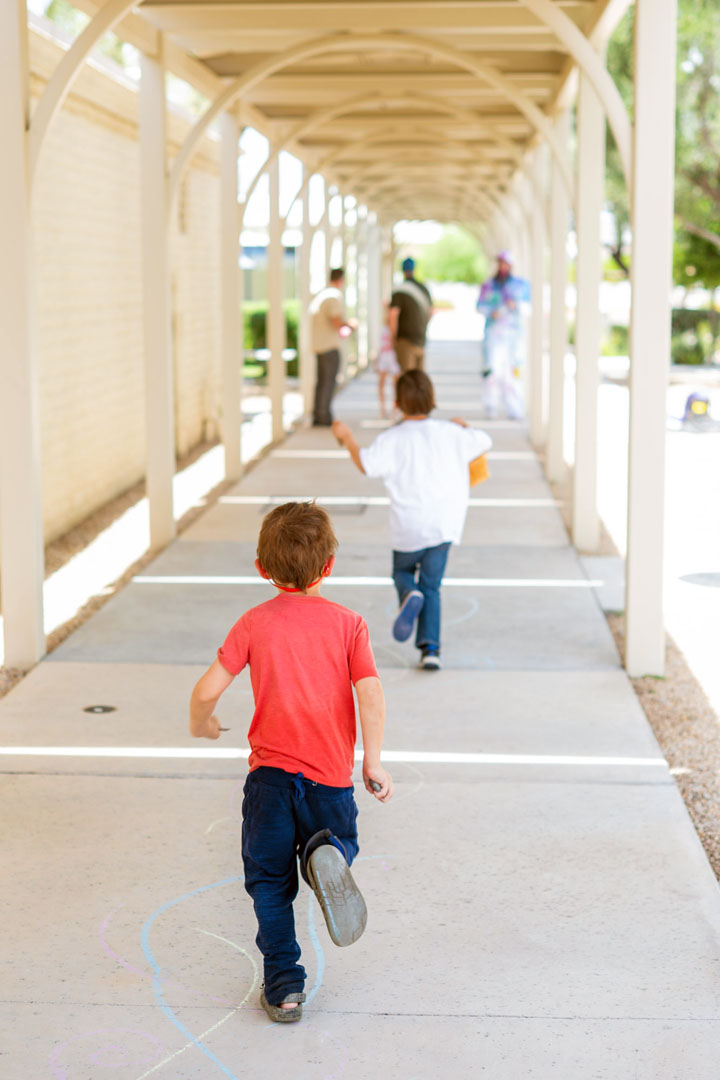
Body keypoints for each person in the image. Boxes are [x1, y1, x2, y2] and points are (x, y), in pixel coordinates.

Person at [189, 501, 393, 1023]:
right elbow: (370, 692)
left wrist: (203, 724)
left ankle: (284, 986)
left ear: (262, 568)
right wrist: (372, 761)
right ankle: (330, 853)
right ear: (329, 565)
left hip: (271, 784)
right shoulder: (349, 625)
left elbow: (207, 689)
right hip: (329, 781)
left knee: (268, 883)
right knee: (340, 838)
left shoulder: (253, 623)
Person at [332, 371, 492, 671]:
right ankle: (430, 650)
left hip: (408, 527)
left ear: (397, 403)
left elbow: (366, 464)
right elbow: (485, 441)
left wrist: (347, 438)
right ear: (432, 399)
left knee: (402, 572)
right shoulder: (451, 433)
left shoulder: (392, 439)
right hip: (444, 525)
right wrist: (464, 426)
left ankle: (408, 592)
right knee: (432, 586)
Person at [476, 250, 531, 420]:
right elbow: (480, 306)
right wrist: (490, 312)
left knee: (512, 373)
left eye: (505, 263)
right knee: (492, 372)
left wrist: (516, 305)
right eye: (500, 263)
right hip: (493, 335)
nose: (502, 267)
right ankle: (491, 405)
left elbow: (528, 308)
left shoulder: (520, 285)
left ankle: (514, 407)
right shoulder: (488, 285)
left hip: (513, 336)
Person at [309, 268, 356, 426]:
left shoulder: (322, 295)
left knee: (322, 382)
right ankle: (323, 416)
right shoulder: (333, 296)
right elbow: (335, 320)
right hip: (329, 346)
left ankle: (319, 415)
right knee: (328, 382)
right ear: (341, 279)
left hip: (320, 346)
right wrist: (350, 325)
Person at [389, 257, 433, 373]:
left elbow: (393, 314)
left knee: (407, 376)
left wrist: (393, 337)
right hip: (421, 339)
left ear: (403, 270)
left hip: (405, 340)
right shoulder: (424, 289)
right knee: (419, 378)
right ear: (414, 270)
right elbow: (430, 312)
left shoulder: (399, 290)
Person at [374, 301, 401, 419]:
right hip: (384, 356)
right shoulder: (384, 327)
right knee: (381, 384)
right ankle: (383, 410)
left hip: (393, 356)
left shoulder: (394, 327)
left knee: (395, 385)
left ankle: (395, 409)